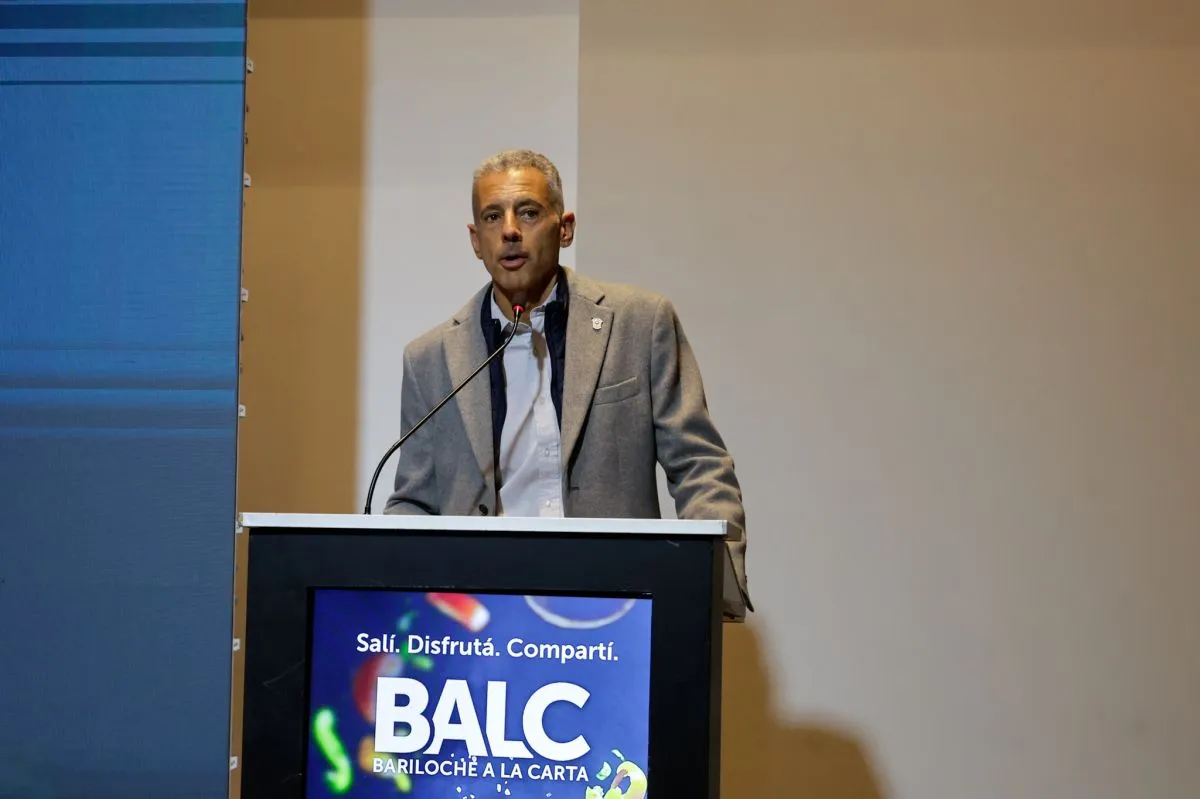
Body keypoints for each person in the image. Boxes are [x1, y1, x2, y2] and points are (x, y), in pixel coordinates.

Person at [384, 149, 752, 619]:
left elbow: (699, 464)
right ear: (476, 240)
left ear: (565, 228)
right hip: (488, 616)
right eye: (493, 217)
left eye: (528, 212)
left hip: (617, 606)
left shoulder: (639, 324)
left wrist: (710, 582)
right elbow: (413, 501)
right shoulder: (430, 358)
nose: (510, 230)